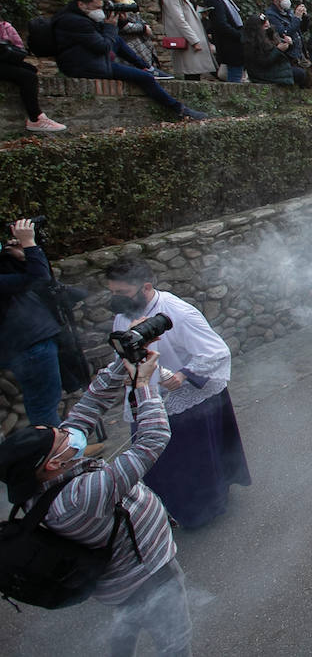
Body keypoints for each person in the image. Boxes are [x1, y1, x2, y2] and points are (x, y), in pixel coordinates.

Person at [0, 350, 192, 656]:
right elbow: (153, 438)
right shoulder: (79, 499)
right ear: (52, 464)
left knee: (126, 626)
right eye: (61, 437)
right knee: (175, 643)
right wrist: (143, 383)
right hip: (148, 577)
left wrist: (126, 356)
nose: (68, 432)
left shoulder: (37, 486)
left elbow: (90, 405)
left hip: (114, 584)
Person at [106, 257, 251, 530]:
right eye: (112, 292)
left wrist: (183, 376)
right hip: (148, 394)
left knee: (191, 464)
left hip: (191, 402)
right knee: (157, 462)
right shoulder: (123, 315)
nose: (115, 300)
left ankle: (202, 510)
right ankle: (163, 509)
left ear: (145, 287)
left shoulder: (178, 312)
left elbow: (216, 352)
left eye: (121, 293)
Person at [54, 0, 208, 120]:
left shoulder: (79, 17)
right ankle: (179, 110)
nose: (100, 11)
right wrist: (110, 27)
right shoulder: (74, 21)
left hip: (91, 59)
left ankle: (147, 67)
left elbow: (107, 41)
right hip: (85, 65)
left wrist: (112, 25)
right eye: (96, 7)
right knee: (145, 78)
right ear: (81, 4)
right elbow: (103, 46)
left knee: (119, 41)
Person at [0, 219, 65, 428]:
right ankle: (56, 455)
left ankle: (62, 449)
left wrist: (21, 256)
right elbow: (39, 278)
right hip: (29, 348)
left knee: (42, 404)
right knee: (43, 408)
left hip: (29, 345)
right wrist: (29, 243)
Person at [244, 13, 312, 96]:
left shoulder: (270, 35)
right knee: (299, 73)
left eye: (266, 21)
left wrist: (288, 44)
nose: (267, 24)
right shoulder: (252, 43)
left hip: (274, 68)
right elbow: (264, 61)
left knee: (303, 71)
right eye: (263, 23)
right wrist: (278, 50)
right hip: (264, 74)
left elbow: (279, 51)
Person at [0, 14, 66, 131]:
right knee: (28, 77)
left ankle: (37, 118)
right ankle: (36, 119)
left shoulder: (4, 26)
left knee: (30, 70)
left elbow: (19, 48)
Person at [157, 0, 216, 81]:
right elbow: (179, 20)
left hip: (192, 38)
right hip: (188, 40)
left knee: (195, 73)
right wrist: (194, 41)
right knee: (192, 74)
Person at [201, 0, 245, 83]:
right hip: (229, 43)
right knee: (234, 77)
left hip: (232, 41)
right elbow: (220, 23)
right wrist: (238, 35)